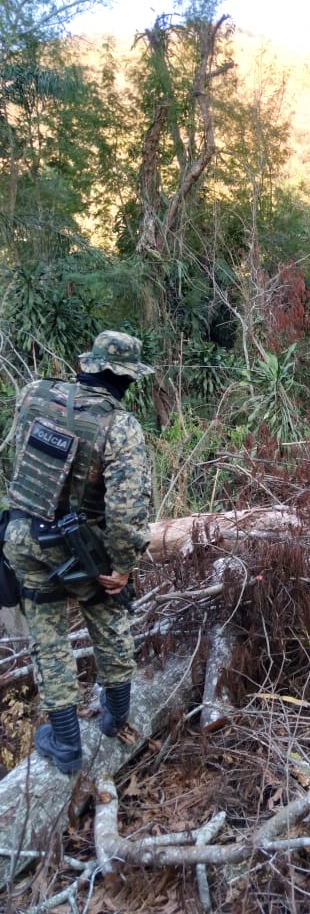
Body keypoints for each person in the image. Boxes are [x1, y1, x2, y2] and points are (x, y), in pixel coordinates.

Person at [4, 331, 154, 775]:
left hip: (24, 536)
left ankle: (66, 742)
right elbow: (127, 512)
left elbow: (22, 459)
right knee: (108, 617)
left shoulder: (34, 393)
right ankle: (117, 717)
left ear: (88, 365)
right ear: (124, 379)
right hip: (81, 548)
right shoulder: (121, 426)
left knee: (47, 638)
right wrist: (123, 567)